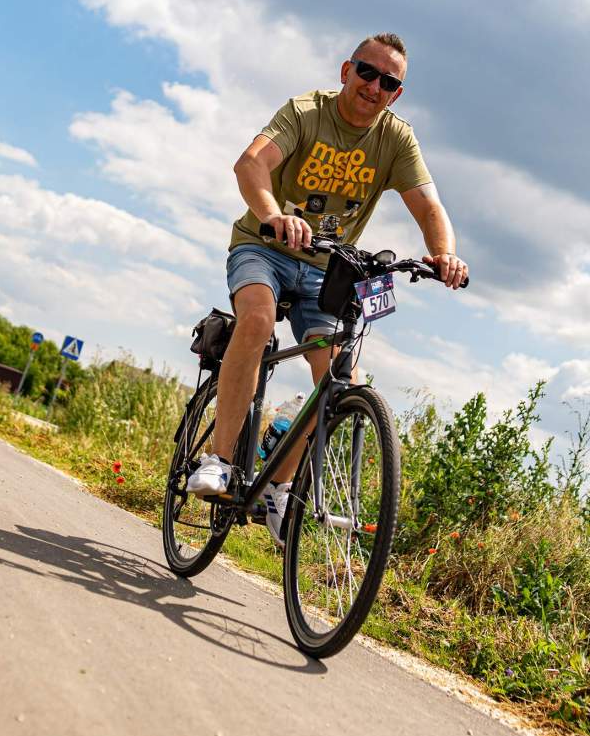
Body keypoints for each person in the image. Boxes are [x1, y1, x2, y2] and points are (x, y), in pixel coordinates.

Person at [186, 32, 469, 548]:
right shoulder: (306, 113)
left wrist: (444, 253)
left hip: (326, 270)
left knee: (340, 381)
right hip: (264, 247)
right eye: (367, 72)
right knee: (256, 320)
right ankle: (218, 460)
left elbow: (429, 206)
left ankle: (279, 486)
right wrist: (273, 215)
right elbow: (250, 164)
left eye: (388, 82)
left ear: (396, 94)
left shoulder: (396, 139)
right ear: (346, 71)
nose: (374, 87)